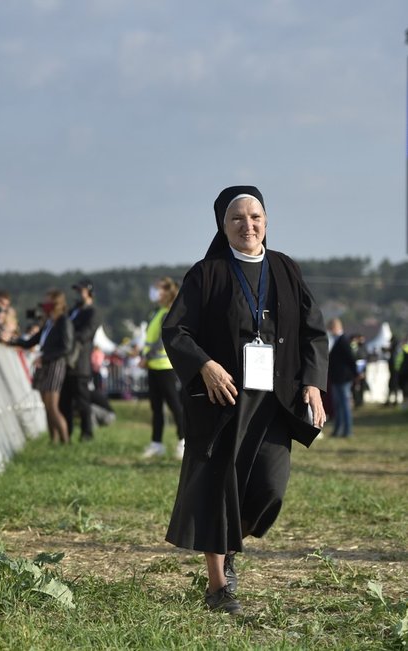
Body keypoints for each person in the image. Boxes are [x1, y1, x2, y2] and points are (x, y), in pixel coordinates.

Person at [162, 185, 327, 616]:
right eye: (237, 218)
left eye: (255, 217)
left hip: (275, 399)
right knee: (217, 487)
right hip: (221, 399)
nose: (247, 225)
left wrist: (312, 383)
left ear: (267, 222)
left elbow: (314, 331)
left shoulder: (286, 269)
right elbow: (175, 330)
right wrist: (205, 365)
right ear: (223, 225)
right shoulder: (207, 273)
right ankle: (218, 589)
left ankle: (231, 542)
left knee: (270, 489)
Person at [12, 290, 74, 444]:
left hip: (54, 364)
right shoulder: (49, 322)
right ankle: (53, 440)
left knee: (53, 406)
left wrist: (45, 357)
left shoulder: (63, 322)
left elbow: (66, 347)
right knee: (46, 406)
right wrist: (11, 341)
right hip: (45, 364)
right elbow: (31, 341)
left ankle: (65, 441)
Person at [140, 276, 185, 459]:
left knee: (175, 406)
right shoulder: (157, 312)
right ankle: (156, 443)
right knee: (156, 407)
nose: (155, 292)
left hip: (166, 366)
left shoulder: (169, 312)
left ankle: (183, 441)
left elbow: (161, 340)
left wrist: (147, 357)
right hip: (154, 366)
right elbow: (151, 338)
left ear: (167, 292)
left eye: (158, 289)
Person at [61, 278, 101, 441]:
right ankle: (67, 432)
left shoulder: (92, 312)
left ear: (89, 292)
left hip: (80, 363)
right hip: (67, 363)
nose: (78, 294)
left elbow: (86, 333)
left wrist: (67, 338)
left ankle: (87, 432)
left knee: (82, 401)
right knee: (65, 402)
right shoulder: (73, 311)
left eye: (81, 290)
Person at [327, 318, 358, 437]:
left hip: (343, 378)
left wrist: (355, 374)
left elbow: (351, 359)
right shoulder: (338, 340)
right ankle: (338, 430)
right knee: (338, 406)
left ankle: (347, 431)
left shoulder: (343, 340)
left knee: (344, 405)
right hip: (337, 378)